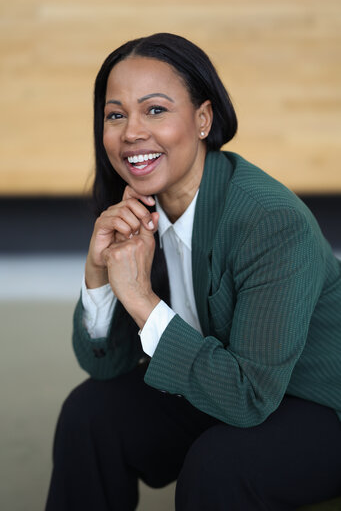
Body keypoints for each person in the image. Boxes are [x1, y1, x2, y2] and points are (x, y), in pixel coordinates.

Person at [45, 33, 341, 511]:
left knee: (218, 463)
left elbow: (249, 397)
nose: (132, 132)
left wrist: (141, 299)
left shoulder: (268, 220)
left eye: (155, 110)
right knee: (89, 413)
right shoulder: (139, 207)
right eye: (115, 114)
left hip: (315, 403)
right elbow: (103, 363)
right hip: (220, 380)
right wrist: (98, 273)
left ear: (203, 119)